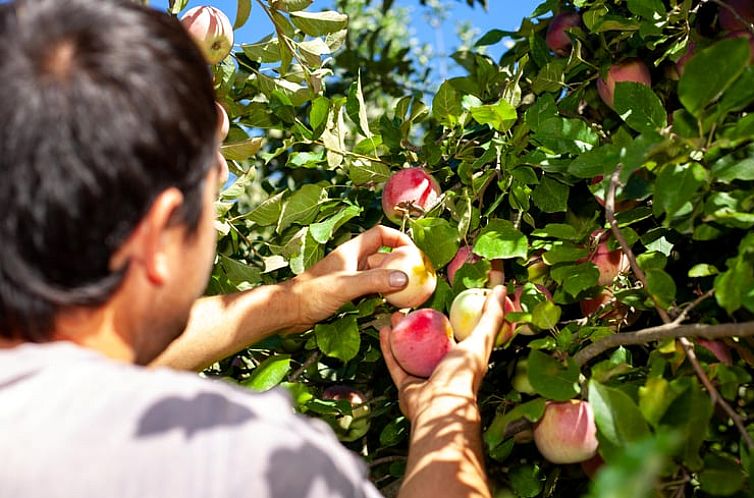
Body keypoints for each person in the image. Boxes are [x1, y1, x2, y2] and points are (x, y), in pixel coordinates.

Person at [0, 1, 508, 497]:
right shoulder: (242, 460)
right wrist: (448, 410)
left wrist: (292, 300)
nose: (221, 177)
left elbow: (89, 359)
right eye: (209, 193)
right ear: (156, 239)